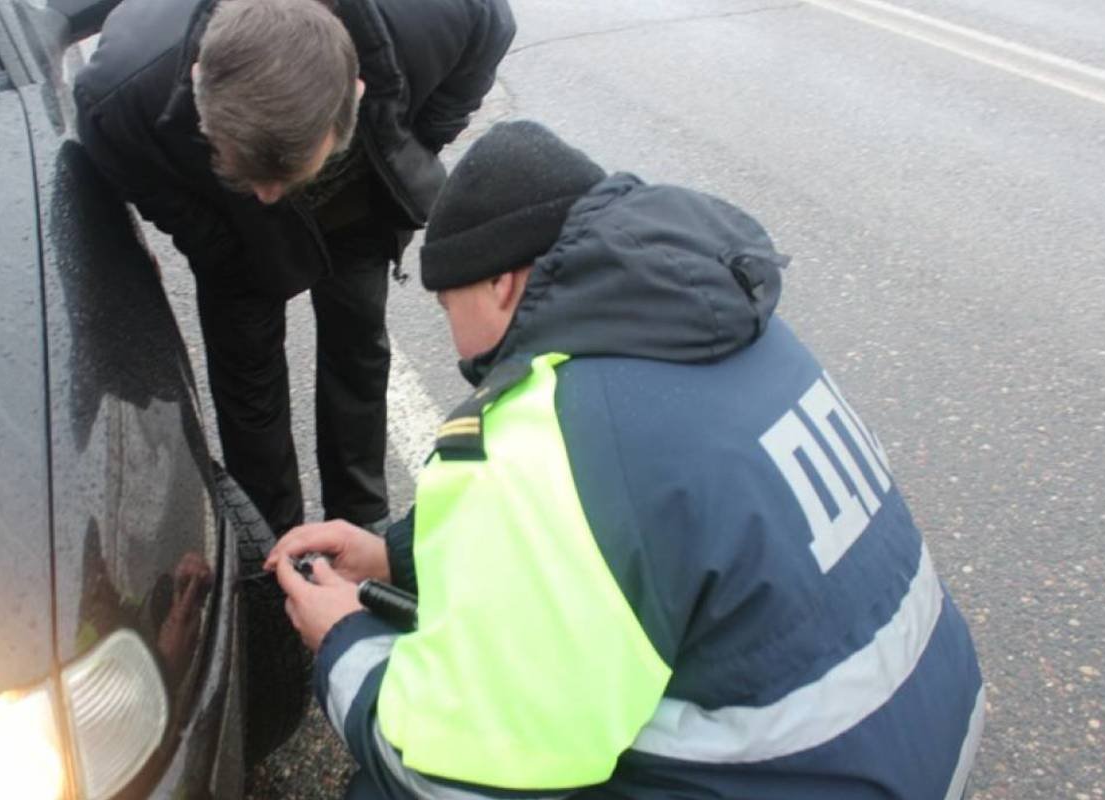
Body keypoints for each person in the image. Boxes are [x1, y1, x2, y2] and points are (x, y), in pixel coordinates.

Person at [267, 121, 985, 799]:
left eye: (447, 303)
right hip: (918, 740)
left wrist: (343, 641)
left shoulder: (547, 433)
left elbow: (453, 777)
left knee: (391, 780)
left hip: (796, 775)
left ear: (501, 284)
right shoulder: (731, 331)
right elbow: (640, 521)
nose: (456, 345)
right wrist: (400, 554)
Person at [73, 0, 516, 535]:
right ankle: (273, 538)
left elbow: (490, 34)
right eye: (244, 172)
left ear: (356, 90)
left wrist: (413, 142)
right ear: (197, 81)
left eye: (286, 177)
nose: (266, 196)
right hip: (227, 225)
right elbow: (147, 183)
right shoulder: (121, 93)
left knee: (358, 344)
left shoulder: (445, 13)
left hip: (355, 202)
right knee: (247, 373)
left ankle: (360, 519)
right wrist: (217, 247)